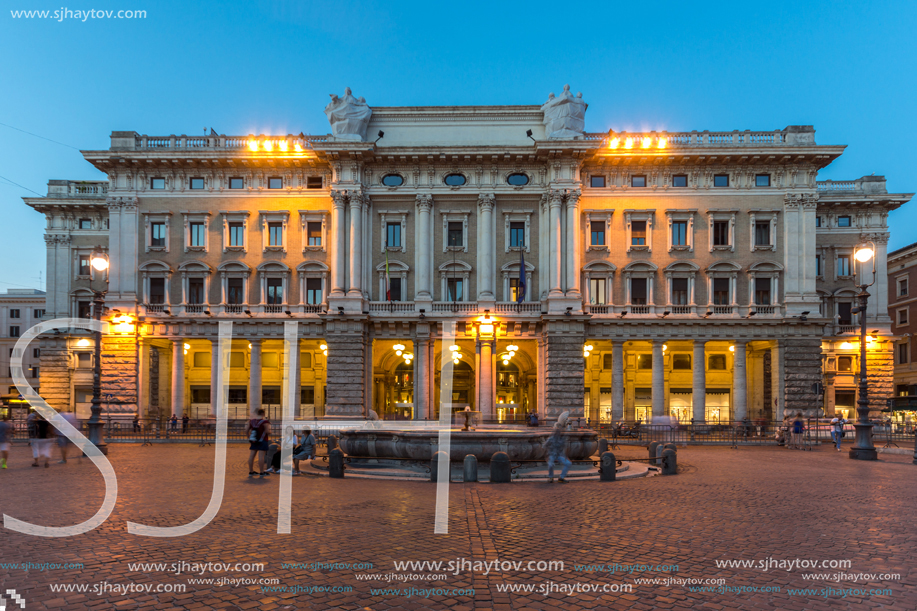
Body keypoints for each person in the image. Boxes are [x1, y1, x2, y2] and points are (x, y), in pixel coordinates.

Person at [543, 412, 572, 483]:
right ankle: (550, 477)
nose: (558, 432)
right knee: (550, 464)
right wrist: (547, 456)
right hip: (552, 455)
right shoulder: (551, 438)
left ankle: (561, 477)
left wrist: (566, 457)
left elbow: (565, 448)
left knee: (568, 463)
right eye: (557, 430)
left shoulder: (562, 438)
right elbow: (544, 446)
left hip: (559, 455)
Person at [246, 409, 271, 478]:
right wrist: (270, 431)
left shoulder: (251, 421)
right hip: (262, 440)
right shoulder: (265, 422)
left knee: (251, 456)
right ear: (263, 414)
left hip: (254, 440)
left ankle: (251, 471)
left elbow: (246, 430)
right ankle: (262, 472)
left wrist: (249, 437)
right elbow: (267, 432)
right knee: (261, 457)